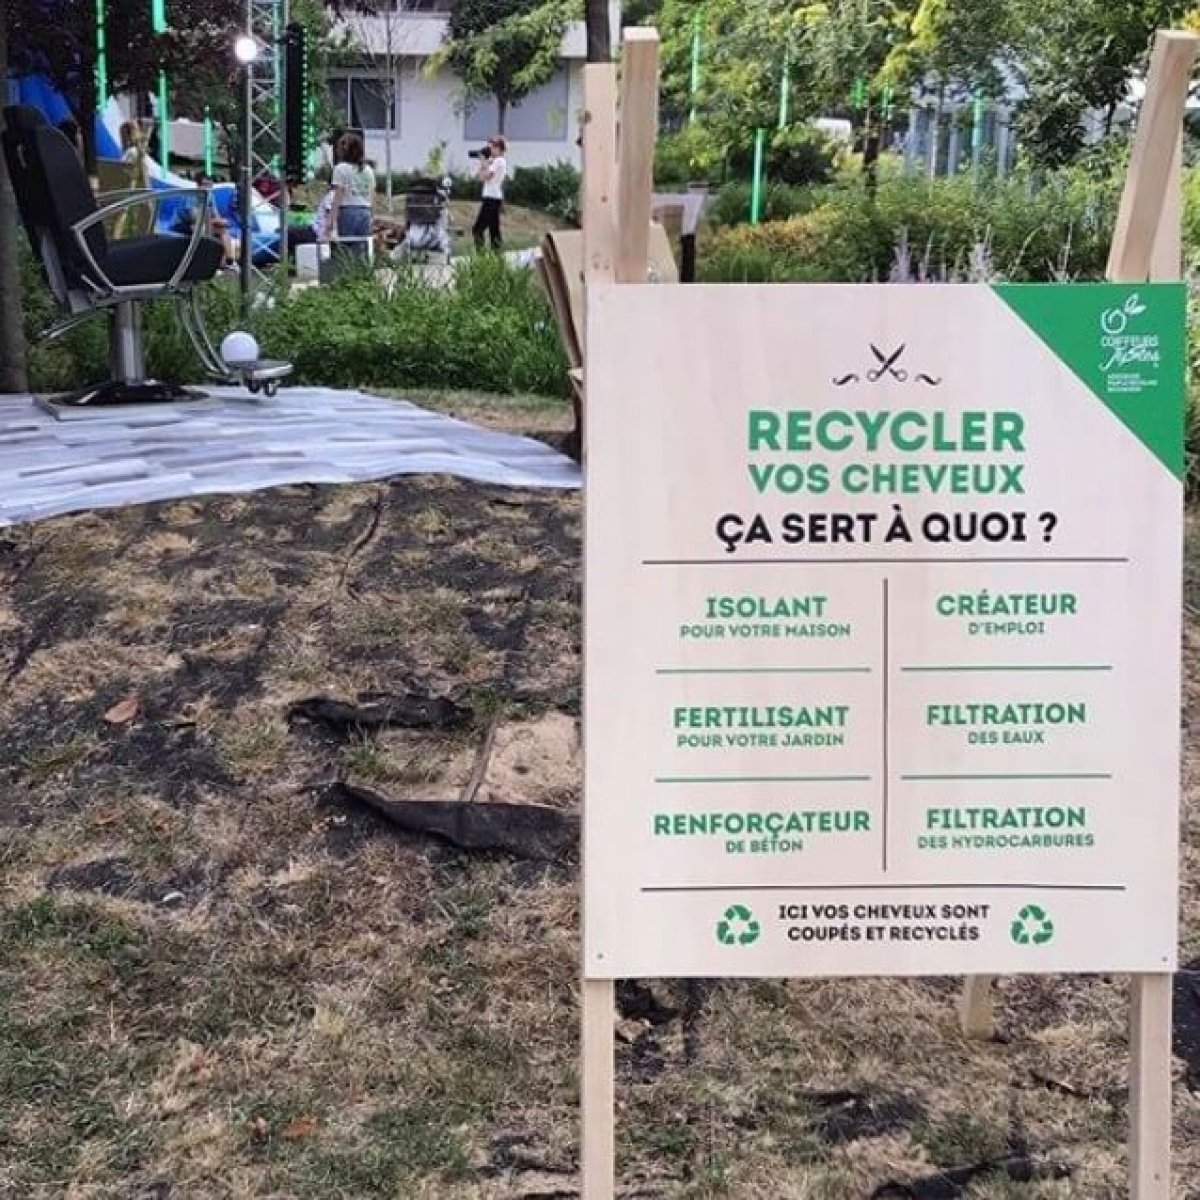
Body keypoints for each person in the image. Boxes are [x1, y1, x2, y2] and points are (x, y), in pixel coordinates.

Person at [327, 132, 376, 263]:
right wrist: (372, 216)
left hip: (348, 211)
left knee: (345, 248)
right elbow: (372, 195)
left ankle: (345, 276)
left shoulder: (340, 169)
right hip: (365, 211)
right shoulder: (368, 170)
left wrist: (331, 219)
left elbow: (338, 195)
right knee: (361, 248)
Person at [473, 134, 507, 251]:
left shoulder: (499, 161)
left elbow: (485, 176)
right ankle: (496, 256)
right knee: (494, 229)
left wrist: (484, 163)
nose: (490, 149)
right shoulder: (493, 161)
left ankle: (480, 257)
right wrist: (486, 163)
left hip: (491, 198)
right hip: (493, 197)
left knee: (477, 229)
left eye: (492, 147)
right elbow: (480, 177)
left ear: (499, 148)